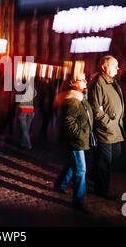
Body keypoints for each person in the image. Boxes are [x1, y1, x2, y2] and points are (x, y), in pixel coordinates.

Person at [88, 55, 126, 200]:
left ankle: (95, 174)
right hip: (105, 130)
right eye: (114, 65)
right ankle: (102, 189)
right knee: (105, 160)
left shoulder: (112, 81)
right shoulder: (99, 82)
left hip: (116, 129)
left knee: (115, 155)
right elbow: (96, 109)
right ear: (104, 67)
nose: (117, 68)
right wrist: (108, 122)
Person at [55, 73, 93, 213]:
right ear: (74, 83)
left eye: (85, 79)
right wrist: (78, 135)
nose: (85, 82)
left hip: (80, 138)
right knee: (80, 169)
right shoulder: (73, 100)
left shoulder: (80, 97)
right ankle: (78, 201)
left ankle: (60, 185)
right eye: (82, 80)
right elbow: (68, 122)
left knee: (72, 164)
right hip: (76, 140)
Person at [16, 81, 37, 149]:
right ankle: (23, 143)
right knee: (26, 129)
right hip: (30, 112)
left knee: (25, 129)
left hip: (25, 112)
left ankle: (28, 144)